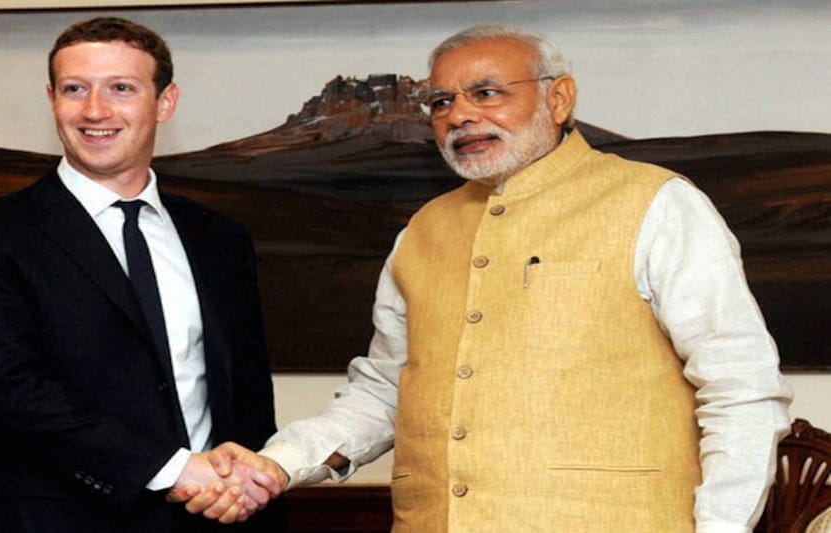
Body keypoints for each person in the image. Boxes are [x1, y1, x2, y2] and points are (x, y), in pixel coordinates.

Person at [176, 25, 795, 532]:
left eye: (487, 92)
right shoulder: (424, 230)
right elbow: (385, 393)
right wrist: (277, 464)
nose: (459, 116)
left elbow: (740, 387)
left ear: (558, 99)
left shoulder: (656, 203)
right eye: (442, 102)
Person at [0, 16, 285, 532]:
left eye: (121, 88)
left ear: (164, 102)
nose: (95, 110)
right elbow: (11, 391)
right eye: (76, 89)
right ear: (52, 98)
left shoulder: (220, 239)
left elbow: (248, 398)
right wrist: (174, 469)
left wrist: (248, 491)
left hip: (210, 518)